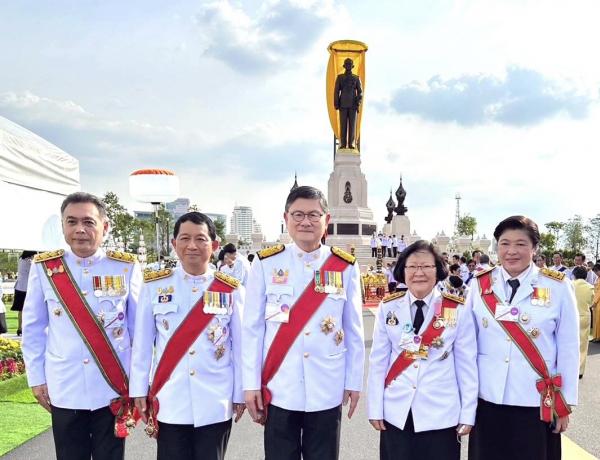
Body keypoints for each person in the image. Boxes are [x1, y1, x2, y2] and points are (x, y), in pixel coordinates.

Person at [243, 185, 364, 460]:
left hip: (326, 383)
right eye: (298, 215)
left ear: (326, 221)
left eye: (313, 215)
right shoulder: (265, 263)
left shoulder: (344, 266)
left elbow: (354, 329)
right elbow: (252, 329)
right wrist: (250, 384)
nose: (306, 222)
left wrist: (354, 381)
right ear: (286, 219)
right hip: (279, 382)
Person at [22, 192, 142, 460]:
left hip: (112, 386)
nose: (79, 230)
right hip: (65, 385)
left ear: (105, 227)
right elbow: (32, 329)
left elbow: (139, 331)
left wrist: (139, 380)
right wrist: (37, 378)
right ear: (62, 226)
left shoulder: (125, 266)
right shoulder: (45, 267)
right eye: (71, 221)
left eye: (88, 222)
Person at [131, 212, 245, 460]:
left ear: (214, 246)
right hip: (171, 398)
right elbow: (141, 344)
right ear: (174, 245)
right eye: (184, 238)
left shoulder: (231, 290)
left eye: (201, 239)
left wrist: (239, 394)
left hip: (215, 398)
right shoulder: (154, 287)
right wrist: (139, 389)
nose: (192, 246)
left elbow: (241, 348)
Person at [468, 216, 579, 460]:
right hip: (488, 399)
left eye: (521, 244)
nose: (511, 251)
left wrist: (564, 404)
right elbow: (467, 347)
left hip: (536, 402)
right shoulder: (479, 286)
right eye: (505, 243)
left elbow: (569, 348)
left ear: (535, 248)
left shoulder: (558, 287)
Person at [367, 240, 478, 460]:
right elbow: (378, 361)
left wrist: (468, 412)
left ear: (438, 270)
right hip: (397, 411)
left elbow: (467, 364)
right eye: (413, 266)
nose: (419, 272)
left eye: (426, 266)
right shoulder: (388, 307)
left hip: (440, 413)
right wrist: (375, 407)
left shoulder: (457, 308)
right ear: (403, 271)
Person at [333, 58, 363, 149]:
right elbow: (336, 91)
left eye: (350, 64)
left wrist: (359, 100)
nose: (348, 66)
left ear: (352, 66)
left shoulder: (356, 78)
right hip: (343, 104)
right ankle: (342, 143)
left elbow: (361, 91)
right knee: (343, 124)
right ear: (344, 66)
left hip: (353, 104)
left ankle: (351, 143)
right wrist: (336, 103)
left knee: (352, 125)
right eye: (347, 64)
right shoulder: (340, 77)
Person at [571, 266, 593, 378]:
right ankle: (579, 371)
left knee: (569, 343)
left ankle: (569, 367)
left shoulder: (570, 285)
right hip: (584, 315)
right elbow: (591, 302)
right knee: (583, 344)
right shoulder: (590, 287)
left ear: (574, 274)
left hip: (571, 316)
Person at [11, 250, 37, 336]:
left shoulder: (20, 260)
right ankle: (26, 328)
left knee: (20, 310)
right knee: (29, 310)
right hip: (27, 288)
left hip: (19, 287)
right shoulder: (30, 262)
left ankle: (20, 328)